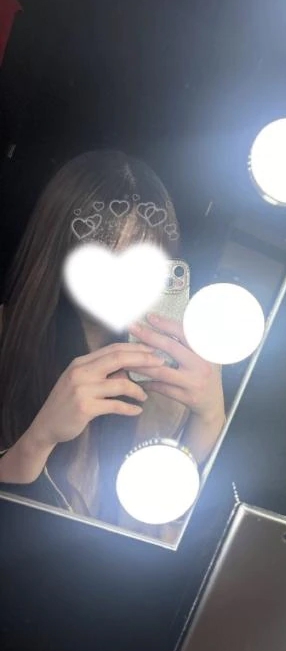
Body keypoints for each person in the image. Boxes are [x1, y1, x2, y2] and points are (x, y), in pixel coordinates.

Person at [0, 150, 226, 542]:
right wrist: (40, 439)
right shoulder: (6, 335)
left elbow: (163, 539)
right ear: (58, 250)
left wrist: (209, 420)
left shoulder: (173, 370)